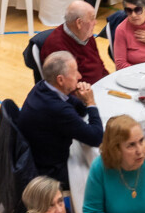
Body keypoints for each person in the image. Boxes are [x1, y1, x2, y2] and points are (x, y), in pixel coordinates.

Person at [18, 50, 103, 182]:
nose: (80, 76)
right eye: (75, 73)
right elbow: (97, 137)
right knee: (100, 173)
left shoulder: (42, 86)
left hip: (39, 155)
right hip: (50, 171)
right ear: (61, 80)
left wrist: (82, 100)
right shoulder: (57, 109)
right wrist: (91, 102)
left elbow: (79, 109)